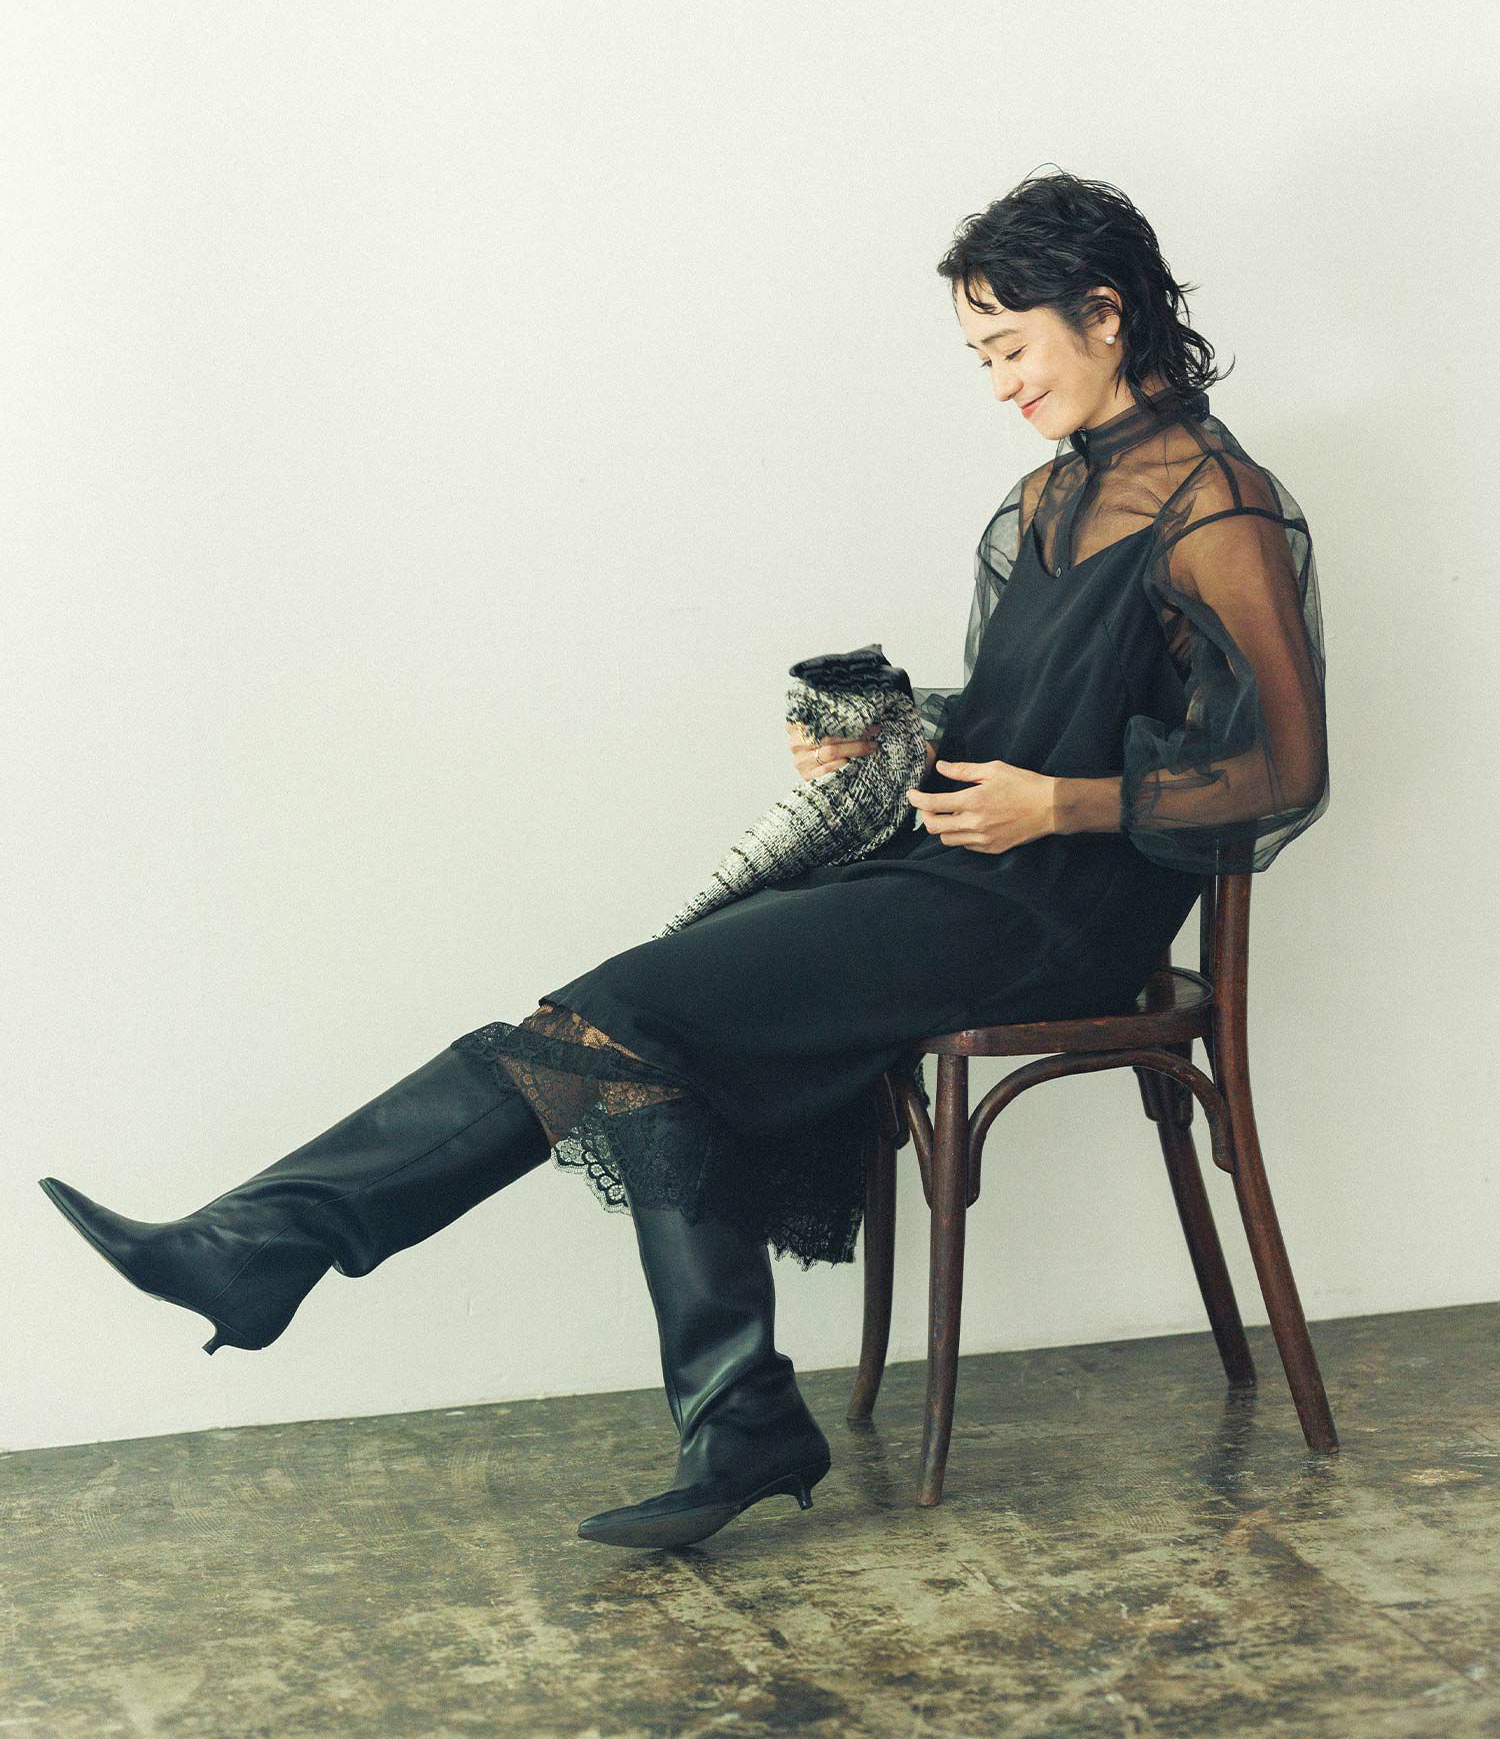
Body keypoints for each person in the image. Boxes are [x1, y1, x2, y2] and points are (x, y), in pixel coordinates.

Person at [37, 166, 1329, 1552]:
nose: (1001, 383)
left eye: (1012, 347)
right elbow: (1028, 716)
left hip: (1063, 913)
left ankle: (272, 1250)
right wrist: (891, 737)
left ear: (1107, 314)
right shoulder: (1045, 499)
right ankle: (727, 1415)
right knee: (630, 1028)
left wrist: (1056, 808)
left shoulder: (1222, 509)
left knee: (630, 1010)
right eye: (981, 358)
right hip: (952, 873)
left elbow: (1285, 768)